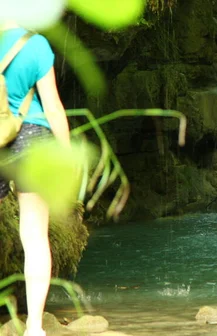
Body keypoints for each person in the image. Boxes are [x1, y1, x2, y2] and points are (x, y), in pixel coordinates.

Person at [0, 21, 70, 336]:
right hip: (31, 135)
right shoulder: (36, 44)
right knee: (35, 237)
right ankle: (35, 327)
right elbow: (53, 105)